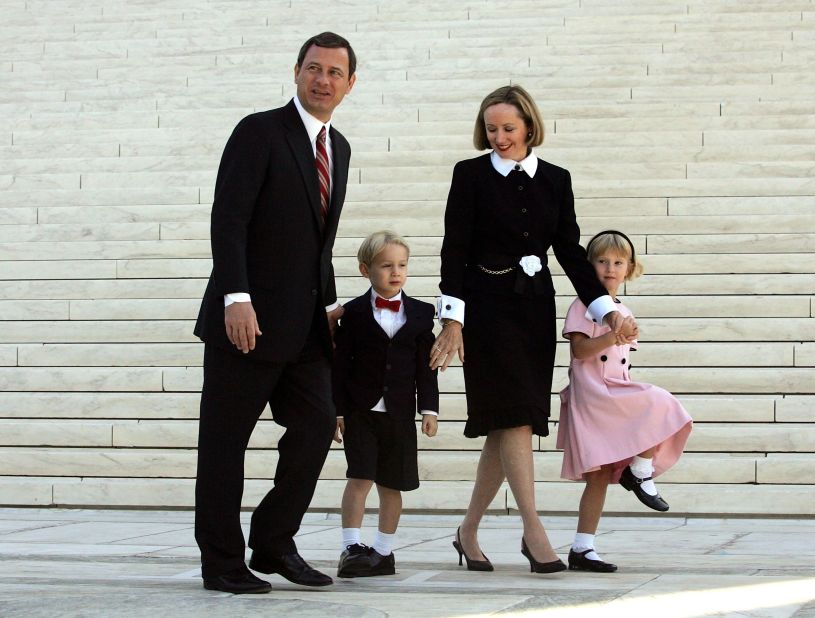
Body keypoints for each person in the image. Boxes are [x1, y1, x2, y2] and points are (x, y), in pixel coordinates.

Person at [431, 84, 635, 574]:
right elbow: (453, 247)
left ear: (528, 127)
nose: (498, 137)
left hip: (533, 310)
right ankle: (533, 529)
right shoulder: (470, 175)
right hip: (484, 310)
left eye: (508, 128)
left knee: (507, 424)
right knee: (515, 420)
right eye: (491, 128)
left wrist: (605, 308)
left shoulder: (556, 179)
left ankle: (468, 531)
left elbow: (569, 250)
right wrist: (451, 318)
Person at [192, 32, 356, 594]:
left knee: (315, 426)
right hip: (248, 321)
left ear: (350, 84)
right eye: (314, 68)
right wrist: (235, 296)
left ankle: (272, 540)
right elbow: (229, 217)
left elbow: (320, 242)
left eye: (335, 72)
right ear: (296, 71)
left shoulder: (341, 148)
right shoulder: (259, 131)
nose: (323, 80)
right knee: (224, 444)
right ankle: (221, 560)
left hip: (307, 327)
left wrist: (330, 305)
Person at [557, 230, 693, 573]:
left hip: (615, 390)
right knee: (599, 474)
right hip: (593, 396)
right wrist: (610, 334)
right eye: (602, 261)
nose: (610, 268)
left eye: (618, 262)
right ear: (589, 267)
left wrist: (624, 334)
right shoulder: (584, 306)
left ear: (630, 268)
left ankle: (584, 544)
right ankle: (636, 476)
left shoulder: (623, 308)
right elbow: (579, 351)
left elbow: (623, 361)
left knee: (659, 407)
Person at [332, 231, 439, 578]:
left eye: (402, 265)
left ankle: (383, 551)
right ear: (365, 270)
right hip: (360, 412)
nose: (395, 272)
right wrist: (337, 410)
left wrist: (430, 409)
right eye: (386, 266)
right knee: (359, 477)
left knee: (393, 484)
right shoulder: (353, 313)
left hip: (399, 413)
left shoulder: (422, 314)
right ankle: (351, 546)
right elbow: (340, 366)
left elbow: (428, 366)